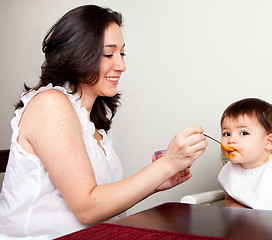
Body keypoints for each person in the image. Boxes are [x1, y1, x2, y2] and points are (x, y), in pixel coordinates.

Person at [0, 5, 207, 238]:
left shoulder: (91, 122)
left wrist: (158, 179)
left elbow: (99, 204)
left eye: (122, 53)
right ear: (77, 53)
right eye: (109, 54)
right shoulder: (50, 104)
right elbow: (87, 208)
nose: (121, 65)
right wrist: (167, 163)